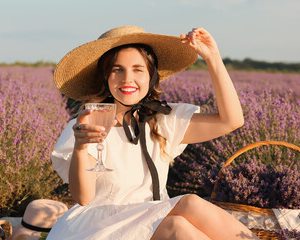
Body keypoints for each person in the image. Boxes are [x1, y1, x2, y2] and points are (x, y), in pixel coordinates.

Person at [48, 26, 259, 240]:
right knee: (186, 206)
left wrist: (212, 58)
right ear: (105, 78)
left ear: (151, 75)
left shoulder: (161, 120)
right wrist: (81, 147)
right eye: (117, 69)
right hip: (101, 228)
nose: (127, 79)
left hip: (155, 221)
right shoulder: (88, 124)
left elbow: (232, 120)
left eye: (138, 69)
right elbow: (84, 198)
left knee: (178, 222)